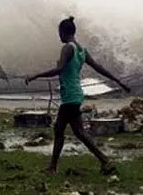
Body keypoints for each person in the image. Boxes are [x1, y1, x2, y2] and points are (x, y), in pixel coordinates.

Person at [26, 16, 130, 175]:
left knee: (60, 129)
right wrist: (118, 81)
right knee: (77, 131)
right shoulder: (82, 51)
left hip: (69, 96)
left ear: (63, 32)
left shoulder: (68, 48)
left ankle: (53, 167)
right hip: (76, 94)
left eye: (59, 33)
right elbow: (99, 68)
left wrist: (36, 76)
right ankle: (103, 160)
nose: (58, 36)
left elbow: (59, 69)